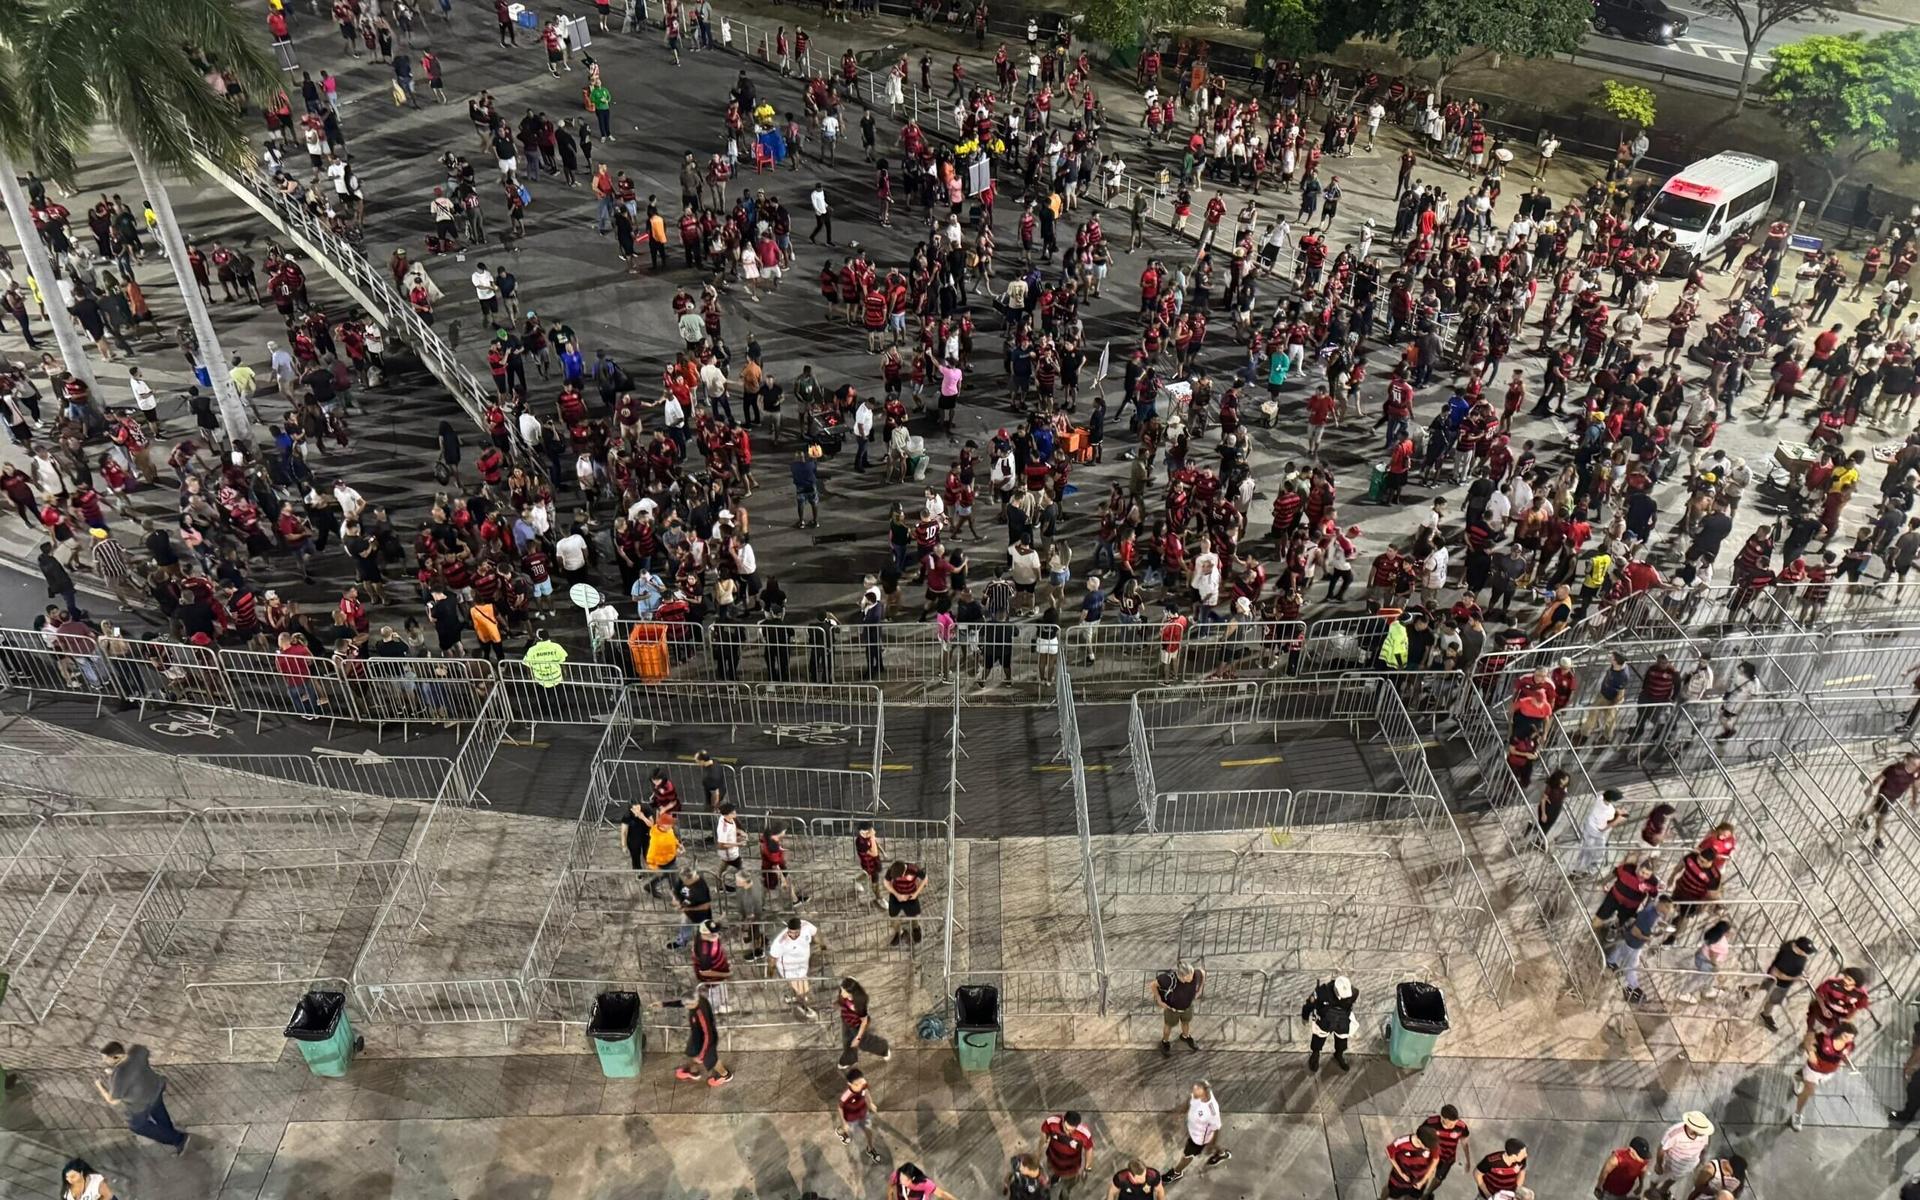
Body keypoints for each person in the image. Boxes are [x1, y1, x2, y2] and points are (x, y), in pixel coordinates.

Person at [94, 1041, 189, 1152]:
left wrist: (99, 1085)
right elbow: (136, 1066)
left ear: (115, 1056)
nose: (104, 1060)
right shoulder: (136, 1051)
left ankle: (178, 1139)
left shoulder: (119, 1075)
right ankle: (171, 1134)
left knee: (137, 1126)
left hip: (141, 1103)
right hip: (155, 1088)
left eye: (106, 1058)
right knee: (159, 1112)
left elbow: (113, 1100)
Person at [661, 987, 732, 1086]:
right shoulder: (699, 999)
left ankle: (725, 1075)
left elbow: (707, 1034)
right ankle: (693, 1072)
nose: (685, 1006)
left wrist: (702, 1054)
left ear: (693, 1003)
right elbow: (683, 1002)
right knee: (691, 1053)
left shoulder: (700, 1014)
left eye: (687, 1005)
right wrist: (663, 1004)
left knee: (712, 1061)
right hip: (697, 1036)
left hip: (708, 1040)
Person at [1163, 1080, 1228, 1182]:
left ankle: (1177, 1173)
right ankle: (1221, 1153)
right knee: (1211, 1145)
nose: (1193, 1091)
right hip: (1193, 1131)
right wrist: (1179, 1112)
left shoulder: (1212, 1111)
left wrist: (1211, 1143)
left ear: (1205, 1092)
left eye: (1197, 1089)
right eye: (1194, 1089)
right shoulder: (1196, 1095)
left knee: (1187, 1156)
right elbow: (1189, 1102)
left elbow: (1216, 1129)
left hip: (1199, 1138)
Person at [1858, 750, 1920, 850]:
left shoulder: (1915, 774)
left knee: (1876, 809)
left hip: (1893, 797)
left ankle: (1862, 817)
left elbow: (1916, 786)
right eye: (1913, 764)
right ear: (1907, 760)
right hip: (1884, 794)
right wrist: (1872, 787)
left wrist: (1914, 799)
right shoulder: (1896, 769)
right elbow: (1882, 777)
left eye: (1917, 766)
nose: (1914, 767)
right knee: (1882, 816)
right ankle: (1877, 838)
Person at [1756, 935, 1816, 1032]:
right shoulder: (1787, 955)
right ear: (1799, 949)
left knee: (1763, 986)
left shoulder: (1795, 950)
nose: (1807, 955)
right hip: (1778, 983)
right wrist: (1797, 978)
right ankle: (1765, 1015)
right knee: (1772, 1000)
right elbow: (1775, 973)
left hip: (1781, 983)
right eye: (1806, 952)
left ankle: (1746, 989)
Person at [1646, 1111, 1712, 1200]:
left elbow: (1704, 1147)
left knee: (1674, 1179)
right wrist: (1659, 1165)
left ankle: (1663, 1190)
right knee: (1657, 1178)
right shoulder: (1674, 1133)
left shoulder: (1704, 1134)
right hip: (1669, 1164)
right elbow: (1662, 1149)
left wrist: (1701, 1160)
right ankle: (1652, 1192)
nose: (1702, 1133)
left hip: (1687, 1166)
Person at [767, 916, 821, 1017]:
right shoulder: (780, 942)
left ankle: (794, 997)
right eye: (791, 932)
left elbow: (815, 932)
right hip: (789, 968)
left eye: (796, 932)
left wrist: (822, 945)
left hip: (802, 964)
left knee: (802, 988)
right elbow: (772, 958)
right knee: (803, 990)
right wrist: (770, 971)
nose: (793, 935)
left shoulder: (806, 926)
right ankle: (804, 1007)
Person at [1301, 974, 1356, 1071]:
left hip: (1342, 1021)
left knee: (1342, 1040)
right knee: (1318, 1039)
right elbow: (1309, 1004)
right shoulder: (1321, 993)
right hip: (1324, 1022)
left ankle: (1339, 1055)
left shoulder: (1353, 993)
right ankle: (1315, 1055)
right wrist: (1305, 1016)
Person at [1150, 960, 1205, 1054]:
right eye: (1188, 978)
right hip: (1172, 1009)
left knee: (1186, 1023)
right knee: (1168, 1026)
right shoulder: (1169, 979)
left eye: (1192, 975)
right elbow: (1153, 984)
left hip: (1187, 1007)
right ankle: (1165, 1042)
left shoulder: (1195, 974)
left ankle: (1185, 1037)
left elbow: (1203, 973)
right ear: (1181, 977)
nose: (1192, 979)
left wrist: (1200, 990)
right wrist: (1159, 999)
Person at [1040, 1109, 1096, 1198]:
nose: (1068, 1132)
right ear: (1063, 1120)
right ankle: (1054, 1179)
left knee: (1067, 1187)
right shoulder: (1052, 1123)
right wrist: (1040, 1150)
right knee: (1051, 1174)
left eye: (1072, 1130)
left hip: (1071, 1168)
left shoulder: (1084, 1134)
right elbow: (1044, 1133)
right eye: (1066, 1128)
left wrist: (1087, 1168)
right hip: (1052, 1160)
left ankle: (1064, 1195)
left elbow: (1089, 1149)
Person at [837, 977, 891, 1065]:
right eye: (841, 989)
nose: (841, 993)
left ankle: (883, 1047)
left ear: (851, 992)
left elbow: (864, 1021)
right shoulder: (844, 995)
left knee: (863, 1043)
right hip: (846, 1020)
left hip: (857, 1023)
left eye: (844, 991)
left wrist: (858, 1038)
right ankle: (849, 1060)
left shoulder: (860, 1002)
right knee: (847, 1041)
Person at [837, 1067, 885, 1163]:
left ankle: (870, 1149)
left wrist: (870, 1103)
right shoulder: (846, 1095)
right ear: (849, 1084)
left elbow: (866, 1092)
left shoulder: (863, 1084)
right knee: (848, 1129)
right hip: (851, 1118)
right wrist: (844, 1122)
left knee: (869, 1131)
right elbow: (840, 1107)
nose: (860, 1086)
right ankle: (840, 1131)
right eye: (857, 1084)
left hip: (863, 1113)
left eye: (861, 1082)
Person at [1418, 1105, 1471, 1192]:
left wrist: (1468, 1161)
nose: (1453, 1125)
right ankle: (1418, 1191)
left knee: (1439, 1179)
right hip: (1431, 1155)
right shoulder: (1431, 1123)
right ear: (1442, 1118)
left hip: (1447, 1158)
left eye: (1455, 1122)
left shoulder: (1461, 1126)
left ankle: (1428, 1193)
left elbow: (1464, 1142)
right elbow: (1420, 1136)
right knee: (1424, 1174)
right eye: (1450, 1123)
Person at [1380, 1126, 1439, 1199]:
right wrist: (1401, 1173)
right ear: (1418, 1138)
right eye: (1425, 1146)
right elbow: (1389, 1152)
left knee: (1413, 1197)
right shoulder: (1402, 1142)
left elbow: (1435, 1160)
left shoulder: (1432, 1144)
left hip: (1419, 1180)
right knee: (1391, 1192)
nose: (1427, 1148)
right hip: (1400, 1179)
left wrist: (1423, 1181)